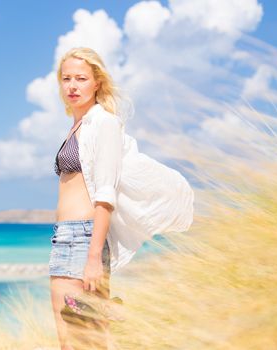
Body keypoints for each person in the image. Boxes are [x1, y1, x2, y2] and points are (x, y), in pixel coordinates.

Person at [49, 47, 194, 349]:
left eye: (81, 78)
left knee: (82, 340)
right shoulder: (77, 125)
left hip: (83, 238)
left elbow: (106, 193)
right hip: (64, 236)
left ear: (97, 82)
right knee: (77, 339)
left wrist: (93, 258)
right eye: (66, 79)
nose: (72, 86)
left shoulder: (104, 123)